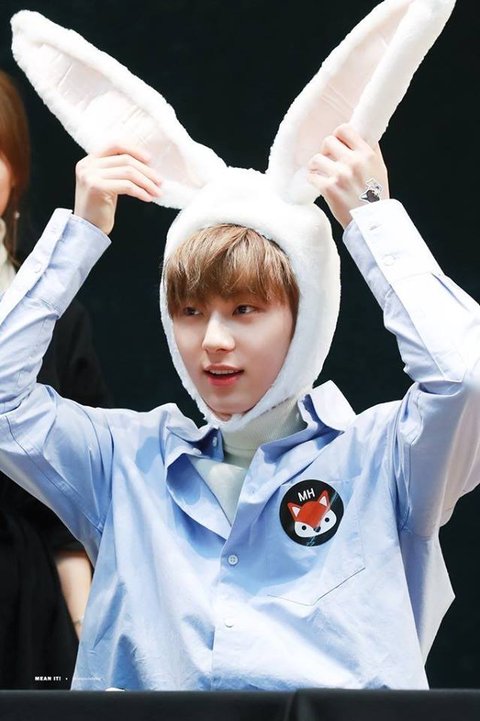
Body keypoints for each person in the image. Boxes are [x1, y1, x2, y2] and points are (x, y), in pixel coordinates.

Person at [2, 0, 477, 691]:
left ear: (306, 315)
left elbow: (467, 378)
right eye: (190, 311)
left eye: (246, 309)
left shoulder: (385, 460)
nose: (214, 340)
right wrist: (79, 234)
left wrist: (373, 220)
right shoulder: (125, 465)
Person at [0, 69, 110, 688]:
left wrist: (86, 630)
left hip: (24, 602)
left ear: (15, 171)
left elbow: (73, 501)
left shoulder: (58, 319)